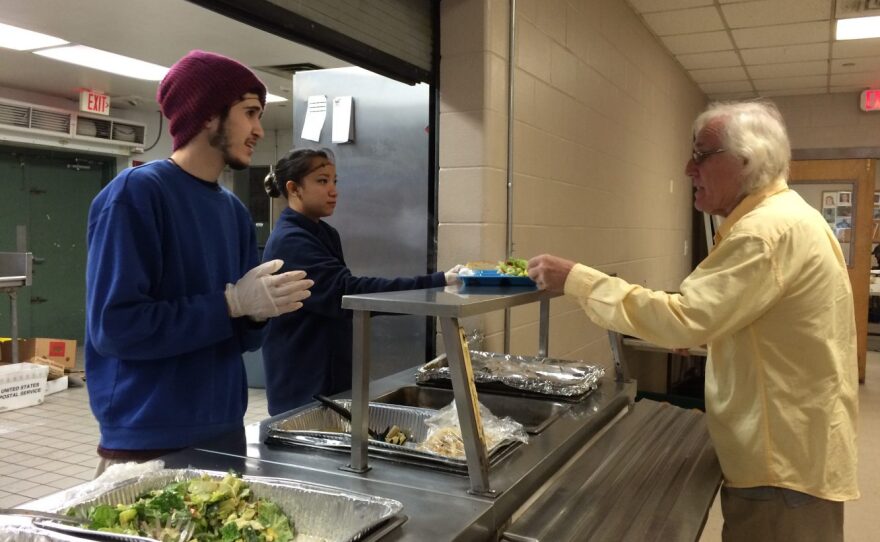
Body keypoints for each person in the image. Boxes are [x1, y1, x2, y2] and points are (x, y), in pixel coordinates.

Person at [527, 101, 858, 542]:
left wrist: (578, 281)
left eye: (701, 154)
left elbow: (685, 318)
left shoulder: (763, 232)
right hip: (797, 449)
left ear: (746, 161)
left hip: (781, 466)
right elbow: (766, 322)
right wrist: (710, 331)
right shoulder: (790, 217)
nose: (688, 168)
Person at [85, 50, 313, 474]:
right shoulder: (137, 195)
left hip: (223, 428)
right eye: (249, 113)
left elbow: (241, 340)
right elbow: (115, 329)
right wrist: (228, 304)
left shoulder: (232, 211)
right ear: (208, 115)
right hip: (149, 435)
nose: (259, 130)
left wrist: (256, 314)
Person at [261, 148, 461, 415]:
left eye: (335, 181)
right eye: (322, 181)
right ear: (294, 188)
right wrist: (436, 282)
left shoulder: (324, 233)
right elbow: (349, 293)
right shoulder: (291, 240)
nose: (333, 190)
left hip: (332, 377)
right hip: (304, 384)